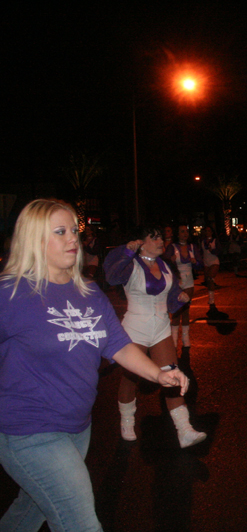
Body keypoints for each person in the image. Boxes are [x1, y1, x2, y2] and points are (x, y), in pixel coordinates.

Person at [0, 199, 189, 531]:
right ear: (33, 239)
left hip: (76, 425)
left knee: (31, 509)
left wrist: (158, 374)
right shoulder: (10, 294)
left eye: (74, 230)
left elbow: (117, 344)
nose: (73, 239)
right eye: (60, 232)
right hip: (27, 430)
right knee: (80, 520)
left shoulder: (88, 292)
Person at [103, 224, 206, 449]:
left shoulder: (166, 266)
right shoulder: (130, 264)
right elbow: (111, 277)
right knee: (131, 378)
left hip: (160, 328)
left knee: (172, 375)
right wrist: (127, 252)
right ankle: (127, 421)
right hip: (135, 329)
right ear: (140, 243)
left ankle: (184, 430)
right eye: (154, 237)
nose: (160, 242)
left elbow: (169, 299)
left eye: (161, 237)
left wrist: (179, 298)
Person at [165, 224, 202, 356]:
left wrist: (195, 262)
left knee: (186, 311)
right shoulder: (172, 247)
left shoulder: (193, 247)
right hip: (177, 283)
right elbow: (163, 264)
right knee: (176, 312)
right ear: (177, 233)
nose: (185, 233)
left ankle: (185, 339)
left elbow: (200, 264)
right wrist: (170, 260)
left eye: (186, 231)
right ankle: (174, 341)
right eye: (182, 231)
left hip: (189, 282)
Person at [201, 226, 222, 316]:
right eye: (206, 231)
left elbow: (220, 251)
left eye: (209, 231)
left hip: (214, 261)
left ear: (212, 232)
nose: (207, 232)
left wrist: (212, 250)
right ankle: (211, 298)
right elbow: (200, 252)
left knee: (210, 278)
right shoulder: (202, 241)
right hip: (206, 262)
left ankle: (212, 300)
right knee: (208, 281)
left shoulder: (215, 241)